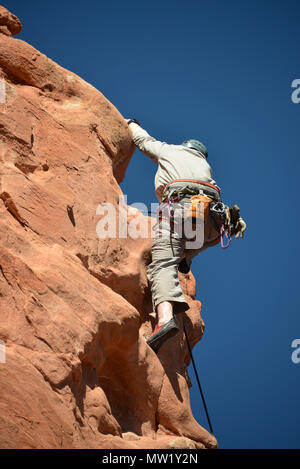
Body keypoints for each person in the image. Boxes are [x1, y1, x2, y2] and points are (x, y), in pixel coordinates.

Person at [126, 119, 246, 352]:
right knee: (192, 241)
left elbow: (142, 140)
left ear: (185, 146)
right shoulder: (205, 168)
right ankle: (186, 258)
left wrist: (130, 123)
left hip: (181, 209)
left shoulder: (171, 150)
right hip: (214, 221)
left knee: (162, 261)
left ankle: (164, 319)